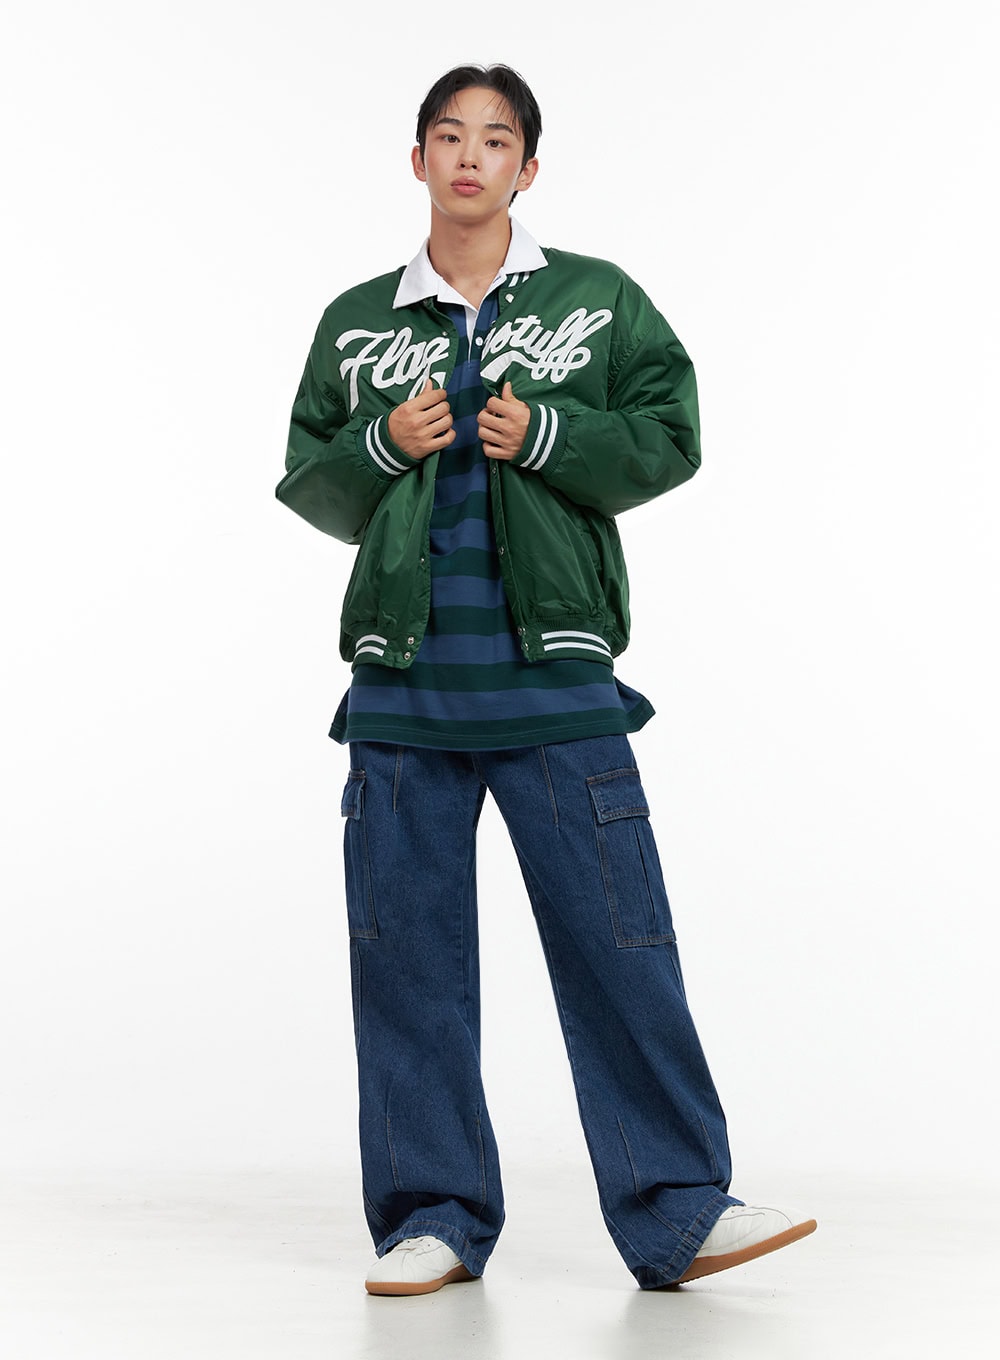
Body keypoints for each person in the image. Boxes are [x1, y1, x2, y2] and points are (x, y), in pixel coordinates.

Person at [276, 63, 816, 1296]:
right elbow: (308, 476)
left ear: (528, 167)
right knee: (407, 965)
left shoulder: (596, 299)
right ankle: (431, 1216)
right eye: (448, 136)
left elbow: (671, 435)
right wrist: (382, 444)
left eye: (495, 138)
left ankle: (679, 1209)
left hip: (559, 688)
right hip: (402, 695)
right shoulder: (357, 321)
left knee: (622, 949)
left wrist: (553, 435)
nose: (470, 155)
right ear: (417, 159)